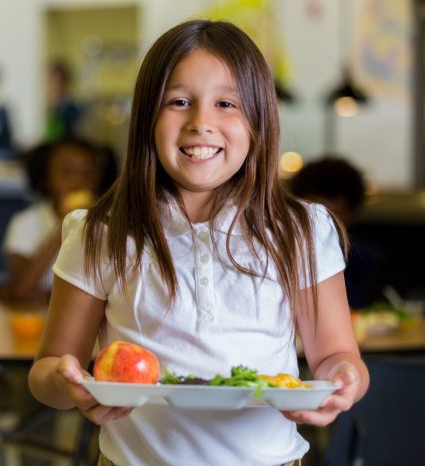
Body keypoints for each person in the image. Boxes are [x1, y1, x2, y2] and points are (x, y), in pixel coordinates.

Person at [28, 20, 369, 466]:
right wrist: (67, 383)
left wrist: (343, 381)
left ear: (259, 121)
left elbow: (338, 356)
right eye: (179, 102)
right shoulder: (102, 232)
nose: (200, 123)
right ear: (147, 116)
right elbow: (48, 369)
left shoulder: (300, 231)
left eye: (226, 103)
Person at [1, 137, 117, 305]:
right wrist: (63, 224)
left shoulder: (109, 224)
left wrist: (45, 296)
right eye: (66, 173)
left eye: (87, 174)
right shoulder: (25, 223)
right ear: (47, 177)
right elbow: (20, 291)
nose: (77, 183)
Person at [289, 156, 384, 308]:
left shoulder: (364, 261)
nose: (322, 228)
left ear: (352, 215)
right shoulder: (282, 259)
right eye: (314, 217)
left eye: (332, 219)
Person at [44, 60, 83, 142]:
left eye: (55, 80)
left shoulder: (70, 106)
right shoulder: (52, 104)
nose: (52, 84)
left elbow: (75, 131)